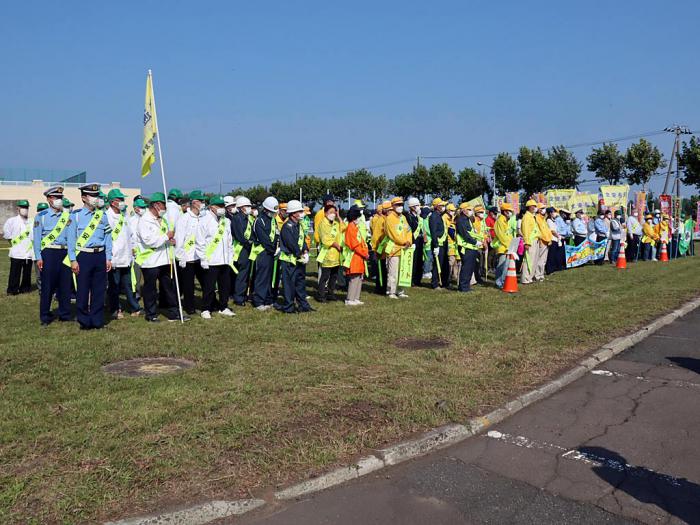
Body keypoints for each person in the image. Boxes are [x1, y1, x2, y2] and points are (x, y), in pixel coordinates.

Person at [66, 183, 113, 330]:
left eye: (96, 195)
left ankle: (97, 320)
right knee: (83, 289)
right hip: (83, 256)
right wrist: (73, 259)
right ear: (84, 198)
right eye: (92, 195)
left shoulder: (103, 215)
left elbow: (108, 237)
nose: (95, 198)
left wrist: (108, 257)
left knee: (99, 290)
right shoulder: (76, 216)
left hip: (99, 256)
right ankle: (84, 321)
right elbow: (71, 239)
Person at [136, 192, 189, 322]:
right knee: (151, 289)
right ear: (156, 205)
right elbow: (149, 241)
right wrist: (167, 236)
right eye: (163, 205)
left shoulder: (163, 219)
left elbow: (166, 237)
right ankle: (151, 314)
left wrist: (171, 240)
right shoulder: (144, 220)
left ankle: (174, 312)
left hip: (165, 259)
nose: (165, 207)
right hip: (151, 261)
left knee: (168, 287)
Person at [33, 187, 72, 325]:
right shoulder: (41, 216)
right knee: (47, 286)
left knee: (65, 285)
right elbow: (37, 239)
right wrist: (38, 256)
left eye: (60, 197)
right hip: (48, 253)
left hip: (64, 252)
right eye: (56, 197)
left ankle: (65, 314)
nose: (59, 200)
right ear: (49, 199)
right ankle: (45, 316)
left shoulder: (67, 216)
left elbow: (71, 237)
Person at [196, 195, 235, 319]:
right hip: (211, 260)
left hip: (224, 259)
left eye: (223, 205)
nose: (222, 208)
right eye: (219, 206)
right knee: (209, 287)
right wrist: (203, 259)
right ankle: (206, 308)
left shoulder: (226, 221)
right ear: (211, 207)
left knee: (225, 285)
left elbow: (229, 240)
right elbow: (200, 241)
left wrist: (230, 256)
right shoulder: (204, 221)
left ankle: (223, 307)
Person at [105, 188, 141, 319]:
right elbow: (107, 238)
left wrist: (133, 248)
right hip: (114, 258)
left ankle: (134, 307)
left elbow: (130, 235)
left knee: (129, 284)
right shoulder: (106, 216)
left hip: (126, 257)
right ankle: (115, 308)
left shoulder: (124, 216)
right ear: (113, 202)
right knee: (114, 286)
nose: (122, 202)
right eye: (120, 200)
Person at [278, 200, 313, 313]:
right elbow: (291, 244)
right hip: (289, 260)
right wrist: (301, 254)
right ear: (293, 213)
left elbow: (302, 240)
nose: (301, 213)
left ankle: (303, 305)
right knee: (289, 285)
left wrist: (306, 251)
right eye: (299, 211)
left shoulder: (298, 225)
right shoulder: (287, 227)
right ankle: (289, 307)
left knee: (300, 283)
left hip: (298, 259)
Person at [175, 190, 206, 315]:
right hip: (187, 258)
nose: (203, 203)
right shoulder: (184, 219)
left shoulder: (203, 217)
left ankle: (208, 304)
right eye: (201, 201)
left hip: (200, 257)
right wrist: (181, 256)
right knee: (189, 285)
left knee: (206, 282)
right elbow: (179, 238)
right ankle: (190, 307)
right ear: (194, 203)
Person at [251, 196, 280, 311]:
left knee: (270, 277)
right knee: (262, 277)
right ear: (266, 210)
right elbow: (264, 239)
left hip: (273, 252)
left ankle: (268, 299)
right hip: (263, 252)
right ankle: (258, 301)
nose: (274, 214)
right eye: (272, 212)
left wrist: (278, 247)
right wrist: (273, 249)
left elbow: (277, 233)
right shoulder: (259, 221)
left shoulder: (272, 220)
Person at [383, 197, 412, 299]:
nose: (400, 207)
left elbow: (408, 230)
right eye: (398, 205)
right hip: (394, 249)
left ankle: (400, 291)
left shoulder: (403, 218)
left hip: (404, 249)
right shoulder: (389, 218)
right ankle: (391, 291)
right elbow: (393, 235)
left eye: (401, 205)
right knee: (393, 272)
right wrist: (404, 242)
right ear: (393, 206)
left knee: (402, 271)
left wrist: (409, 241)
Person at [4, 199, 34, 295]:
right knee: (14, 273)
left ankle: (25, 288)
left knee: (27, 273)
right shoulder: (11, 221)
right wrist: (15, 245)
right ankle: (12, 290)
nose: (25, 209)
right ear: (18, 208)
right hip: (16, 252)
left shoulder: (31, 221)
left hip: (28, 252)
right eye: (23, 207)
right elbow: (7, 235)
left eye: (26, 207)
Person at [316, 204, 343, 302]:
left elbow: (342, 230)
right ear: (325, 213)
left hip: (336, 254)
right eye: (330, 212)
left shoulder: (335, 223)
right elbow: (325, 239)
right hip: (327, 253)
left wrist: (339, 218)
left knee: (334, 275)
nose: (332, 214)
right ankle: (321, 295)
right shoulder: (323, 223)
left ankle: (331, 293)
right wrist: (336, 245)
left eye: (334, 212)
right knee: (325, 276)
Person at [231, 196, 254, 306]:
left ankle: (243, 295)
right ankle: (239, 297)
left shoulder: (248, 218)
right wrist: (249, 242)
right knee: (242, 274)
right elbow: (240, 236)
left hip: (248, 248)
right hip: (241, 249)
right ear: (241, 208)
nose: (249, 208)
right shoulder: (237, 218)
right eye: (247, 206)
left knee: (246, 273)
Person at [343, 206, 369, 305]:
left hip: (359, 256)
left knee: (359, 277)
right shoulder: (350, 227)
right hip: (354, 256)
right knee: (354, 278)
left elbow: (361, 241)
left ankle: (356, 298)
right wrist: (364, 253)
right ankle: (350, 299)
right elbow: (354, 244)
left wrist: (365, 252)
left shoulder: (355, 227)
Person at [455, 202, 479, 292]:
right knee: (466, 268)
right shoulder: (461, 220)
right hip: (466, 247)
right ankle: (463, 287)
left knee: (470, 268)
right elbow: (465, 234)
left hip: (471, 247)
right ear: (463, 211)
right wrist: (475, 242)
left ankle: (466, 286)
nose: (471, 211)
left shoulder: (467, 219)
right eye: (469, 209)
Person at [493, 203, 515, 289]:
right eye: (509, 211)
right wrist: (508, 246)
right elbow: (501, 235)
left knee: (506, 266)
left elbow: (508, 234)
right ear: (505, 212)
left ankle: (502, 281)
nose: (510, 212)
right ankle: (499, 283)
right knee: (502, 266)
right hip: (503, 247)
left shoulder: (506, 220)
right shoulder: (500, 221)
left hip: (507, 246)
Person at [429, 198, 449, 289]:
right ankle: (435, 283)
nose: (444, 207)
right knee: (437, 265)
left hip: (443, 244)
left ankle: (443, 282)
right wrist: (436, 246)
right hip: (438, 244)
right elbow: (433, 232)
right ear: (437, 206)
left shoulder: (439, 215)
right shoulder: (433, 216)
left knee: (443, 263)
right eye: (442, 205)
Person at [371, 201, 390, 295]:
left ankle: (384, 287)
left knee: (386, 269)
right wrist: (376, 249)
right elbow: (376, 236)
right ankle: (380, 289)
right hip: (381, 249)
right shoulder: (380, 220)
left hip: (388, 249)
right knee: (381, 269)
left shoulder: (387, 219)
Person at [404, 197, 424, 286]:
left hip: (420, 241)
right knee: (413, 262)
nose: (418, 207)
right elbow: (409, 230)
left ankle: (417, 279)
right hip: (413, 242)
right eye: (417, 205)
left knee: (419, 261)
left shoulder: (418, 217)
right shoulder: (408, 217)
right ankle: (411, 280)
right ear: (412, 207)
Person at [520, 199, 540, 284]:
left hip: (535, 240)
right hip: (530, 241)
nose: (536, 208)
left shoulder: (532, 216)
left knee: (534, 260)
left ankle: (530, 277)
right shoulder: (526, 217)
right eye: (534, 206)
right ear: (529, 207)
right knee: (528, 259)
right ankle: (525, 278)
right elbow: (526, 231)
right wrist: (527, 242)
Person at [534, 203, 551, 281]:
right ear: (539, 210)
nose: (544, 210)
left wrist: (549, 239)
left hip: (547, 241)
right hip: (542, 241)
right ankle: (537, 275)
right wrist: (544, 239)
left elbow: (547, 230)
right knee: (539, 260)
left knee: (543, 260)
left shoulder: (543, 219)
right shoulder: (537, 218)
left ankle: (541, 275)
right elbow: (540, 231)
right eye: (543, 208)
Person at [444, 203, 460, 285]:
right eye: (452, 210)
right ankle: (447, 279)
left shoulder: (451, 219)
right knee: (450, 263)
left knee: (455, 264)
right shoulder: (446, 219)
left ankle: (455, 278)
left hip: (455, 247)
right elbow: (452, 235)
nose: (453, 212)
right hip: (450, 246)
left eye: (454, 211)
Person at [545, 207, 562, 275]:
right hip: (552, 239)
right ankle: (549, 270)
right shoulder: (548, 220)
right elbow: (552, 231)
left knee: (554, 255)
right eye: (553, 212)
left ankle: (552, 269)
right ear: (550, 213)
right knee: (551, 256)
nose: (555, 213)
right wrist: (558, 236)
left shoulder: (553, 220)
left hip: (555, 239)